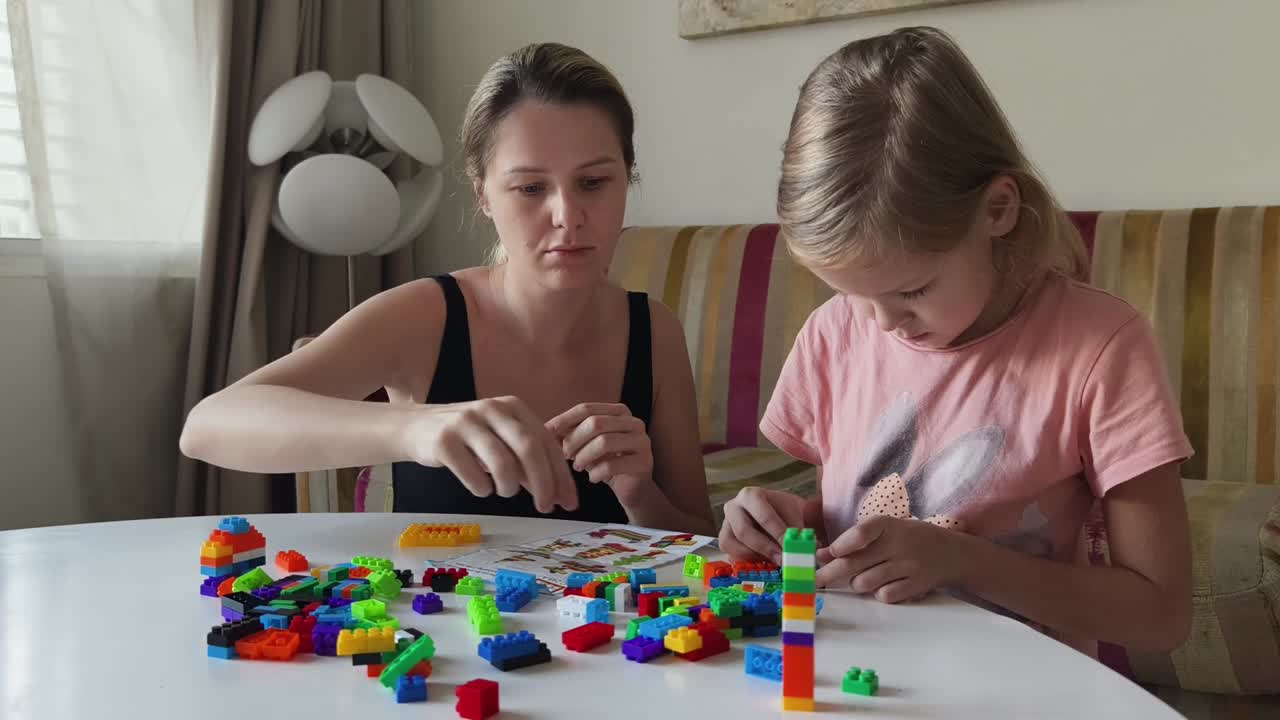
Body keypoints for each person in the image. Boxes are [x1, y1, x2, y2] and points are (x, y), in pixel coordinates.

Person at [718, 26, 1192, 653]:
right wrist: (784, 526)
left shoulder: (1102, 349)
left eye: (912, 291)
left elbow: (1161, 616)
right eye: (851, 292)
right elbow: (850, 520)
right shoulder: (835, 333)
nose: (881, 324)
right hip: (858, 681)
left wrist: (963, 561)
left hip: (1022, 693)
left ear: (997, 209)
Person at [181, 43, 715, 536]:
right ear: (483, 195)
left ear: (628, 178)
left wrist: (639, 494)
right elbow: (209, 425)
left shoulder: (654, 332)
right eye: (530, 188)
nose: (567, 217)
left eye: (594, 183)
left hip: (607, 638)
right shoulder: (426, 317)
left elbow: (698, 534)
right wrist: (415, 427)